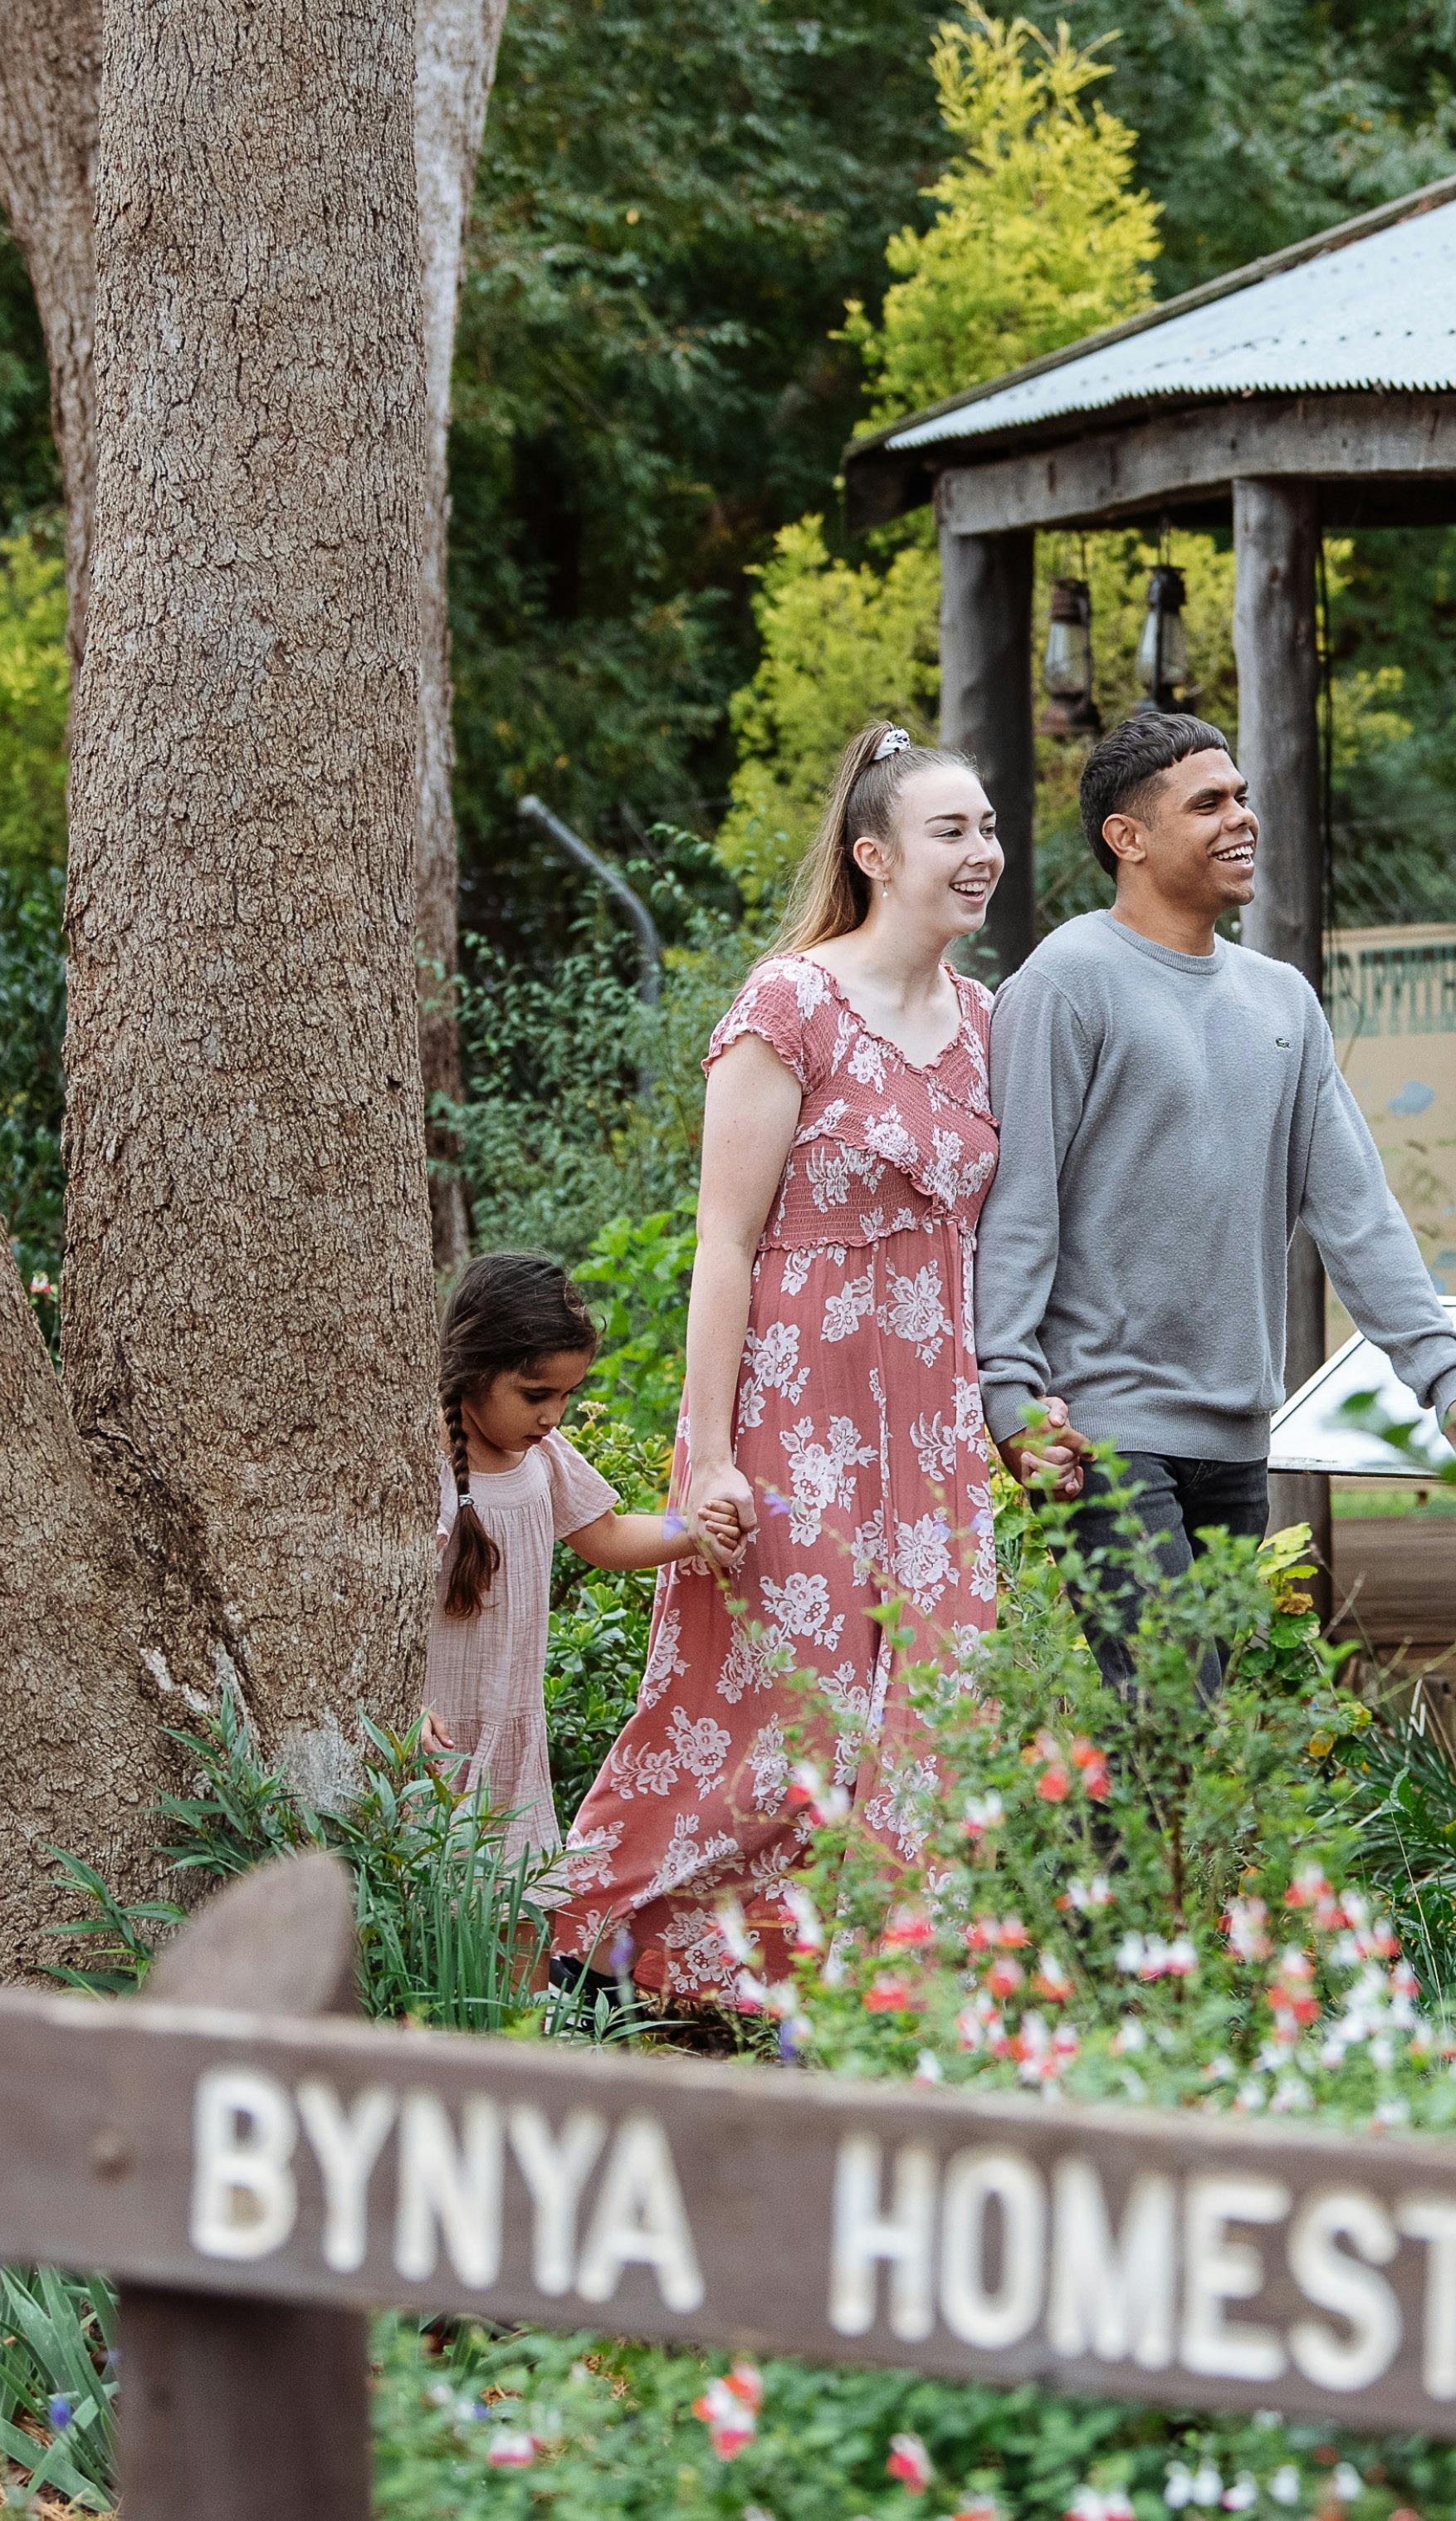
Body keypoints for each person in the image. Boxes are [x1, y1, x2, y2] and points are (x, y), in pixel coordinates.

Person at [550, 722, 1018, 2005]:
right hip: (795, 1413)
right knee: (767, 1699)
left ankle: (868, 1986)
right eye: (951, 831)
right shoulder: (787, 1002)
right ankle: (599, 1938)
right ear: (873, 855)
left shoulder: (988, 1021)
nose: (982, 853)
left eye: (985, 828)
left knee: (936, 1702)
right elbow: (723, 1237)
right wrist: (706, 1453)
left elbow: (1013, 1240)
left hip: (938, 1434)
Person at [976, 707, 1456, 1683]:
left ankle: (1096, 1846)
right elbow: (1018, 1204)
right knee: (1175, 1707)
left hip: (1232, 1436)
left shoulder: (1281, 1001)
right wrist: (1009, 1397)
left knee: (1179, 1754)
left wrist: (1448, 1377)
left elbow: (1355, 1212)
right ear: (1127, 839)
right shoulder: (1066, 982)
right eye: (1208, 803)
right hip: (1102, 1430)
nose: (1241, 819)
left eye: (1242, 797)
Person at [422, 1250, 724, 1871]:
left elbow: (606, 1536)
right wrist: (408, 1708)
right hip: (438, 1740)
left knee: (521, 1915)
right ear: (475, 1369)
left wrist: (695, 1531)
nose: (553, 1414)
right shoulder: (431, 1468)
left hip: (512, 1732)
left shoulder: (542, 1454)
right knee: (442, 1921)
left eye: (565, 1395)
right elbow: (388, 1610)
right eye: (535, 1394)